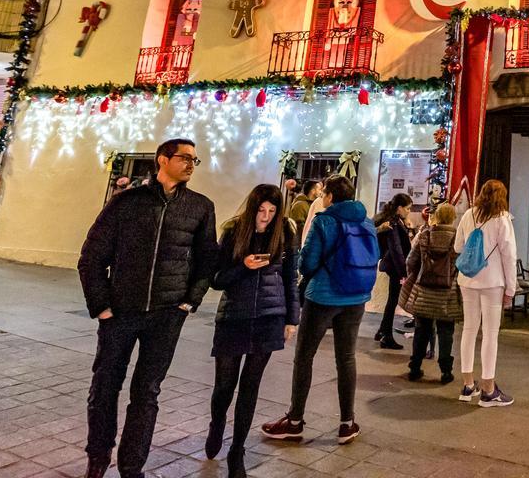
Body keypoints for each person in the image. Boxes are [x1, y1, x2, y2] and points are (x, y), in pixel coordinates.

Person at [77, 138, 217, 478]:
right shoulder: (127, 202)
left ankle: (132, 466)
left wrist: (189, 302)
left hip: (167, 315)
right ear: (162, 159)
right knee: (104, 386)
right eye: (184, 158)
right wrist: (102, 307)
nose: (190, 165)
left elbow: (207, 260)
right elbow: (91, 258)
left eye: (194, 160)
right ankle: (98, 459)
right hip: (121, 312)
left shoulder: (200, 207)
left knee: (147, 392)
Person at [262, 175, 377, 446]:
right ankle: (347, 423)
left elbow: (307, 262)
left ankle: (294, 420)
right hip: (356, 297)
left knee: (305, 356)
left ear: (330, 196)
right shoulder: (367, 221)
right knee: (346, 357)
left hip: (323, 297)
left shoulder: (324, 221)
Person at [206, 184, 299, 478]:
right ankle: (217, 422)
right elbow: (217, 279)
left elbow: (290, 278)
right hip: (234, 316)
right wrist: (245, 266)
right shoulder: (234, 230)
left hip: (269, 316)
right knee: (224, 384)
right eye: (261, 211)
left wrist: (291, 319)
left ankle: (238, 451)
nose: (265, 218)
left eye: (271, 212)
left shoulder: (285, 232)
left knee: (250, 385)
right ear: (252, 208)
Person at [454, 178, 518, 407]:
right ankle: (489, 390)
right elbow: (509, 256)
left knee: (469, 330)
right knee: (491, 334)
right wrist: (511, 288)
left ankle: (468, 384)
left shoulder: (468, 214)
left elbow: (458, 247)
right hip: (492, 282)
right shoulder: (502, 219)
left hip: (468, 280)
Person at [402, 202, 462, 383]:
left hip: (424, 291)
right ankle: (445, 371)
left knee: (421, 330)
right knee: (446, 332)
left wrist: (416, 275)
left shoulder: (425, 235)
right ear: (452, 218)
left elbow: (410, 261)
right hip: (447, 293)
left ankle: (415, 368)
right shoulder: (457, 238)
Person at [375, 192, 413, 349]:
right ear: (399, 208)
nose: (409, 211)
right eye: (408, 208)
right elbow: (396, 248)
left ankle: (382, 330)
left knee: (392, 300)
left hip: (393, 265)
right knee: (392, 301)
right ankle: (386, 335)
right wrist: (404, 271)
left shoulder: (395, 220)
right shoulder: (393, 223)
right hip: (396, 266)